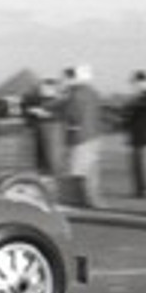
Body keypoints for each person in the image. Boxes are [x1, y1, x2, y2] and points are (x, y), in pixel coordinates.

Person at [58, 64, 104, 208]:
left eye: (64, 79)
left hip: (80, 138)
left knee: (76, 170)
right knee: (91, 171)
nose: (62, 82)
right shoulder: (93, 92)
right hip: (94, 136)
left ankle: (74, 202)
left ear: (72, 78)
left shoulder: (76, 93)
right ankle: (94, 201)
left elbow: (71, 113)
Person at [122, 70, 146, 198]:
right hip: (135, 138)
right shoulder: (133, 100)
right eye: (134, 83)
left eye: (138, 83)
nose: (135, 86)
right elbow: (127, 118)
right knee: (136, 167)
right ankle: (139, 191)